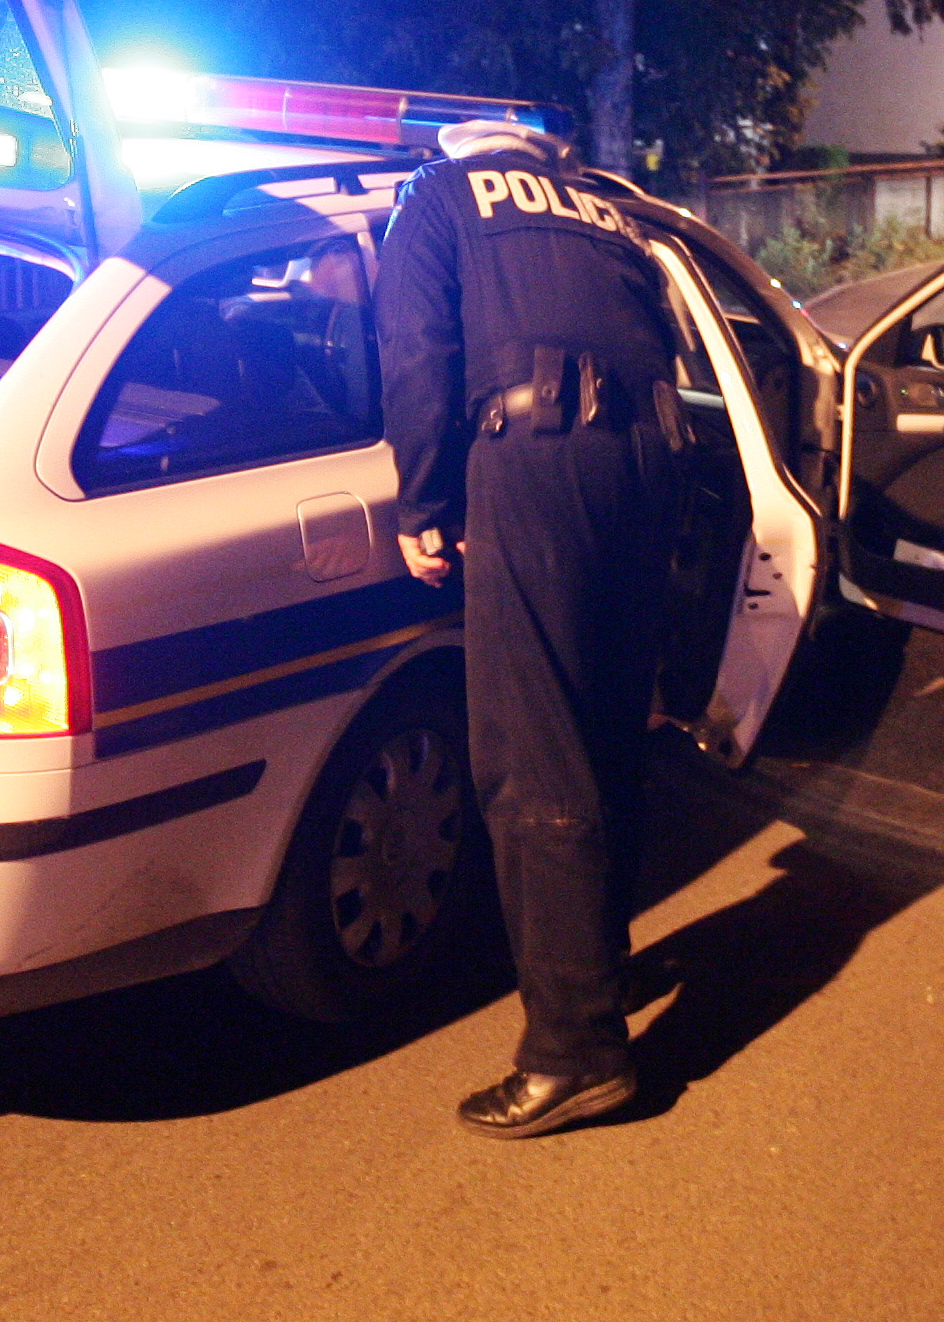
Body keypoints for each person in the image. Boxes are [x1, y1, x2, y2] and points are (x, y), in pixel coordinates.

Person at [376, 116, 681, 1139]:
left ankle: (574, 1053)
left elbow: (414, 355)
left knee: (529, 758)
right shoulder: (609, 210)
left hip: (537, 464)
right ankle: (604, 971)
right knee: (603, 737)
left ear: (458, 152)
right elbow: (664, 342)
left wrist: (420, 506)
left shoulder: (438, 200)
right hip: (648, 467)